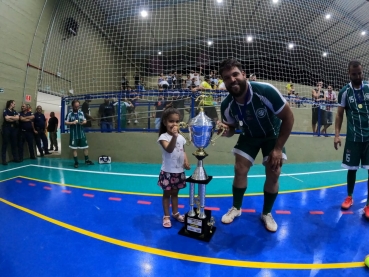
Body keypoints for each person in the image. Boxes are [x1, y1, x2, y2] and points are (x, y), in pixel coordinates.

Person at [217, 58, 294, 232]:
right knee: (239, 169)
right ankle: (236, 208)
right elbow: (231, 130)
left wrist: (278, 148)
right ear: (224, 82)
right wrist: (224, 129)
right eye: (227, 78)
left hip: (272, 135)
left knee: (274, 172)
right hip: (249, 135)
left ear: (243, 75)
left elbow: (289, 117)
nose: (232, 79)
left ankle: (266, 213)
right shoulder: (227, 105)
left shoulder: (265, 91)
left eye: (235, 74)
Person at [334, 60, 369, 219]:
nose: (358, 76)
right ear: (349, 73)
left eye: (360, 73)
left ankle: (368, 204)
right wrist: (336, 135)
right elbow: (339, 115)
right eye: (354, 74)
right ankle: (349, 196)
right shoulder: (344, 92)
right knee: (351, 168)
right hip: (353, 138)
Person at [157, 107, 190, 228]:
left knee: (175, 194)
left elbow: (183, 150)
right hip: (168, 172)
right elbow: (169, 149)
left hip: (179, 171)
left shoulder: (181, 137)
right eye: (171, 121)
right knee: (167, 194)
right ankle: (166, 216)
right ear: (165, 122)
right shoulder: (163, 137)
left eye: (176, 121)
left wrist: (186, 160)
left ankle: (175, 213)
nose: (174, 124)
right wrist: (175, 136)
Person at [65, 100, 94, 168]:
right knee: (74, 148)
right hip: (74, 134)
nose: (77, 108)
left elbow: (85, 120)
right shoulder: (69, 114)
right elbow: (65, 122)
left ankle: (87, 160)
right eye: (75, 107)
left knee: (85, 147)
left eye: (78, 106)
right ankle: (76, 162)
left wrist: (83, 122)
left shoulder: (81, 113)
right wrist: (72, 123)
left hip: (81, 133)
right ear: (72, 106)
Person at [2, 100, 20, 165]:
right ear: (11, 104)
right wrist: (13, 118)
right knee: (5, 143)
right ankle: (4, 160)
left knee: (14, 143)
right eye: (14, 104)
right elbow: (6, 118)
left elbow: (17, 118)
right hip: (7, 128)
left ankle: (15, 158)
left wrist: (10, 117)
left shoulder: (14, 111)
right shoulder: (5, 110)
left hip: (13, 129)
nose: (14, 105)